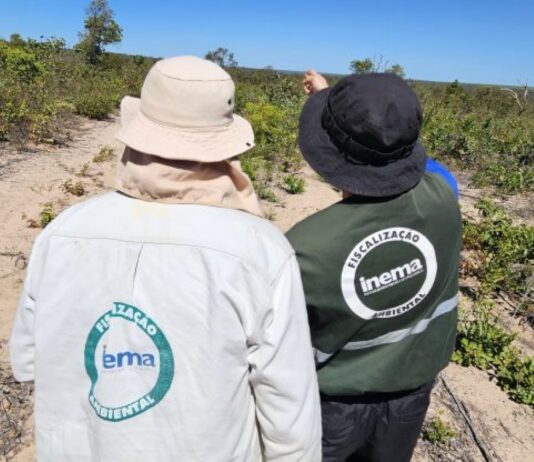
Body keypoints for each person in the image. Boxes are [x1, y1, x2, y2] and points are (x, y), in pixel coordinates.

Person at [10, 56, 321, 462]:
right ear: (222, 144)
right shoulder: (260, 250)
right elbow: (288, 408)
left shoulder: (62, 231)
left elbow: (28, 362)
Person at [287, 70, 462, 462]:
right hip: (412, 396)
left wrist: (335, 111)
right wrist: (365, 122)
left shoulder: (306, 246)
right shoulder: (445, 194)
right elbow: (414, 161)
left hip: (332, 406)